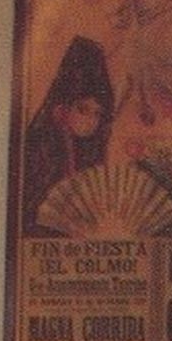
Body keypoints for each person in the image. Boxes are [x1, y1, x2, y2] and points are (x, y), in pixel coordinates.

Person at [20, 35, 114, 232]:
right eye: (83, 109)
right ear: (61, 108)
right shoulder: (38, 147)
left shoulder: (89, 151)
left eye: (98, 114)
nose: (91, 122)